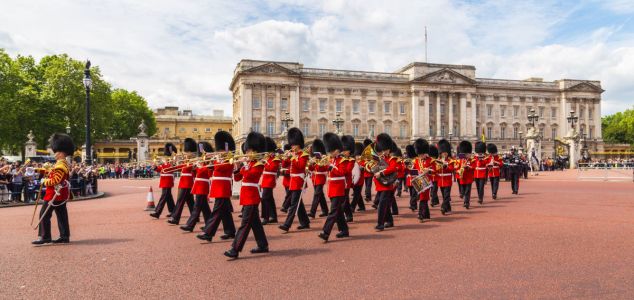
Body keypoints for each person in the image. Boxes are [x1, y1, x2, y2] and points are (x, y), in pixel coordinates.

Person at [224, 132, 269, 259]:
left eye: (249, 151)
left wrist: (244, 165)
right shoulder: (249, 164)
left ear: (255, 151)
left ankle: (235, 249)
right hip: (247, 196)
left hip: (252, 196)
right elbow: (238, 178)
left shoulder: (259, 164)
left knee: (244, 224)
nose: (247, 153)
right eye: (247, 150)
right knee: (255, 223)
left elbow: (251, 176)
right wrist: (237, 167)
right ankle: (263, 245)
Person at [32, 133, 74, 245]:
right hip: (60, 194)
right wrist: (43, 170)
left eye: (56, 152)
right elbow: (53, 173)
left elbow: (56, 180)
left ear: (60, 153)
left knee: (44, 214)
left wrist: (44, 181)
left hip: (54, 194)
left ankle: (45, 237)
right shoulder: (61, 164)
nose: (54, 154)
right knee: (61, 215)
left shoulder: (60, 165)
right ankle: (64, 236)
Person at [197, 131, 237, 241]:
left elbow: (219, 168)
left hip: (223, 187)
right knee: (224, 211)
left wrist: (216, 159)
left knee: (217, 210)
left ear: (226, 148)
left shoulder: (229, 159)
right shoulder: (219, 158)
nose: (218, 152)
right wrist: (211, 160)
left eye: (220, 149)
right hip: (218, 186)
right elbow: (212, 171)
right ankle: (230, 231)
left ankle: (208, 233)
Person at [318, 132, 350, 242]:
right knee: (338, 212)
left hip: (339, 188)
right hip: (331, 188)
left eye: (331, 150)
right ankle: (344, 230)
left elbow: (342, 172)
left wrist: (330, 166)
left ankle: (325, 232)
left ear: (337, 150)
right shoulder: (331, 160)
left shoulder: (343, 160)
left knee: (333, 212)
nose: (330, 152)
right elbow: (324, 170)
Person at [279, 128, 311, 232]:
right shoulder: (294, 154)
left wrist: (293, 157)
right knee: (298, 203)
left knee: (293, 204)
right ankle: (305, 222)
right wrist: (285, 158)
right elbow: (284, 166)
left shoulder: (304, 155)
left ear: (299, 144)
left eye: (294, 144)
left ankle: (287, 225)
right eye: (291, 144)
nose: (292, 146)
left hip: (298, 181)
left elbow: (300, 166)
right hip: (292, 182)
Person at [180, 141, 214, 232]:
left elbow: (209, 173)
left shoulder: (208, 162)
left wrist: (201, 166)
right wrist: (195, 168)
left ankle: (190, 225)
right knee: (204, 207)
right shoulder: (201, 161)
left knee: (197, 206)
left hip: (203, 185)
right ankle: (209, 224)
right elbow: (195, 173)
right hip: (198, 184)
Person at [372, 133, 399, 231]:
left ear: (389, 149)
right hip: (379, 184)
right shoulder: (379, 159)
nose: (384, 151)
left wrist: (381, 173)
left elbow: (392, 168)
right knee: (385, 205)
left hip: (387, 185)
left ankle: (380, 224)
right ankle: (390, 221)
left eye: (386, 149)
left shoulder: (392, 159)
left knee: (382, 205)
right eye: (383, 150)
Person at [168, 138, 197, 225]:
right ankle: (195, 217)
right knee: (190, 201)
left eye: (187, 152)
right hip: (184, 181)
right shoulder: (186, 160)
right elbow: (178, 168)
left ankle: (176, 218)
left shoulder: (193, 160)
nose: (185, 153)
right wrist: (174, 161)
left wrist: (181, 160)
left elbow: (189, 168)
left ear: (191, 152)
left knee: (180, 201)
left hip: (187, 182)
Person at [150, 143, 178, 219]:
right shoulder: (164, 164)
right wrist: (155, 167)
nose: (164, 158)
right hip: (164, 181)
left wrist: (171, 159)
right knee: (168, 197)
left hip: (168, 181)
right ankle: (173, 211)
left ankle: (157, 212)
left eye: (166, 157)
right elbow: (159, 170)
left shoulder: (171, 163)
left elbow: (170, 169)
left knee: (163, 197)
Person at [260, 137, 281, 225]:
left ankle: (266, 217)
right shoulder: (267, 158)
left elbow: (272, 168)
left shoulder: (275, 159)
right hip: (265, 180)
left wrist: (265, 163)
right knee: (270, 199)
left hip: (270, 180)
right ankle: (274, 217)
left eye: (269, 151)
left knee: (264, 198)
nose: (268, 153)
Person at [307, 138, 329, 218]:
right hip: (315, 178)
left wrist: (320, 162)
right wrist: (311, 164)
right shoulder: (314, 158)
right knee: (320, 195)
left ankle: (312, 212)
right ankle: (325, 211)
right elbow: (311, 169)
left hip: (321, 178)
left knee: (316, 194)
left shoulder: (324, 158)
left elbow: (325, 168)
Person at [413, 138, 433, 221]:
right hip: (419, 180)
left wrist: (428, 171)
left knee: (423, 198)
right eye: (420, 154)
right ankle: (426, 214)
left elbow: (434, 170)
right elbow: (413, 171)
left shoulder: (431, 160)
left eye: (422, 154)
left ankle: (420, 214)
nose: (421, 156)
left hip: (427, 181)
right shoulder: (416, 161)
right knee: (423, 197)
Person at [436, 139, 455, 215]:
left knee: (447, 195)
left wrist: (445, 166)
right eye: (443, 152)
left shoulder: (450, 160)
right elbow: (436, 170)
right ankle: (448, 207)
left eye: (446, 152)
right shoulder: (438, 160)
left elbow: (452, 169)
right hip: (440, 180)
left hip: (447, 180)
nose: (444, 154)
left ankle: (443, 207)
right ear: (440, 153)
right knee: (444, 195)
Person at [340, 135, 356, 222]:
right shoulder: (341, 159)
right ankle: (349, 216)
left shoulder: (351, 160)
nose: (343, 152)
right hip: (340, 181)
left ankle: (340, 216)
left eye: (345, 150)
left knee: (343, 200)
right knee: (345, 200)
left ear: (349, 151)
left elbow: (347, 170)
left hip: (346, 181)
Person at [457, 141, 475, 209]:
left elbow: (474, 167)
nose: (467, 155)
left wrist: (468, 167)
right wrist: (458, 171)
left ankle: (466, 202)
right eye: (466, 153)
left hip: (469, 178)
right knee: (463, 191)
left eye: (468, 153)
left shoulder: (472, 160)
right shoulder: (460, 160)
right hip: (462, 177)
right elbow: (457, 167)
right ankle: (465, 199)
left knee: (467, 191)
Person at [349, 142, 366, 212]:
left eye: (359, 155)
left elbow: (366, 167)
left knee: (356, 194)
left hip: (360, 180)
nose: (358, 157)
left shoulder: (363, 161)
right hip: (354, 180)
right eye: (357, 155)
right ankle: (362, 206)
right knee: (357, 193)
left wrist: (362, 168)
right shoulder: (353, 161)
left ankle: (352, 207)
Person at [405, 145, 418, 211]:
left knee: (414, 193)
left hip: (415, 178)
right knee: (411, 193)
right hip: (409, 179)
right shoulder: (407, 160)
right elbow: (405, 170)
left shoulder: (417, 160)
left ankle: (413, 205)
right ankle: (414, 205)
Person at [279, 144, 292, 213]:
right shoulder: (286, 157)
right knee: (289, 194)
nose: (287, 152)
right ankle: (289, 207)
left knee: (290, 194)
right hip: (287, 179)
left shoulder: (293, 156)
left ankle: (285, 206)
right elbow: (283, 165)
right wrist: (285, 158)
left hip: (292, 178)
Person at [362, 138, 374, 203]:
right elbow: (361, 161)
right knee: (367, 185)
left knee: (368, 185)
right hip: (365, 171)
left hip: (370, 171)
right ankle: (368, 197)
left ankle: (367, 196)